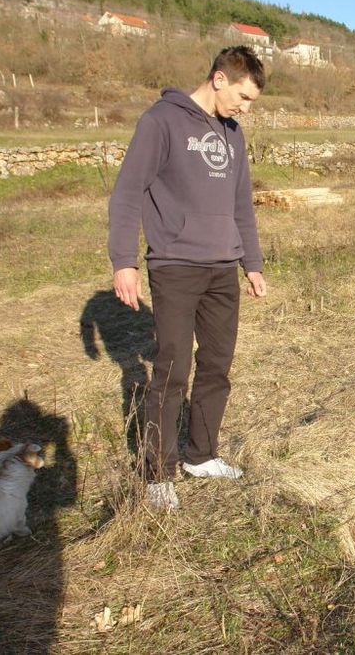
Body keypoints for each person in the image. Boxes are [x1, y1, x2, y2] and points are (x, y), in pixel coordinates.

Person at [108, 45, 267, 510]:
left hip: (223, 269)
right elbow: (127, 194)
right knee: (172, 370)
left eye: (251, 101)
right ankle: (159, 471)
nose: (245, 108)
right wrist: (124, 262)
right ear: (219, 78)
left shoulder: (233, 134)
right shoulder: (160, 122)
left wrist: (251, 263)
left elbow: (241, 205)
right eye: (243, 96)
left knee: (217, 365)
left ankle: (202, 455)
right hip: (175, 265)